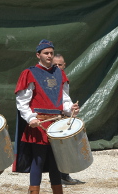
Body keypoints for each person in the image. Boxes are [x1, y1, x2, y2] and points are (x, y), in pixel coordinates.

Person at [12, 39, 79, 194]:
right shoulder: (30, 73)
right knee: (38, 161)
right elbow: (22, 101)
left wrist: (70, 108)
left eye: (51, 53)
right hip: (39, 125)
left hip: (57, 124)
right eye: (46, 53)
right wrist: (30, 118)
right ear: (38, 55)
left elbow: (64, 99)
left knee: (57, 163)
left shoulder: (59, 73)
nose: (49, 56)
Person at [52, 54, 80, 185]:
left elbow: (65, 98)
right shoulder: (49, 77)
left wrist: (71, 108)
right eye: (55, 65)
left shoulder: (63, 78)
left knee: (65, 148)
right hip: (50, 116)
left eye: (60, 65)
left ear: (64, 66)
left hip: (62, 116)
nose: (57, 67)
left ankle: (63, 175)